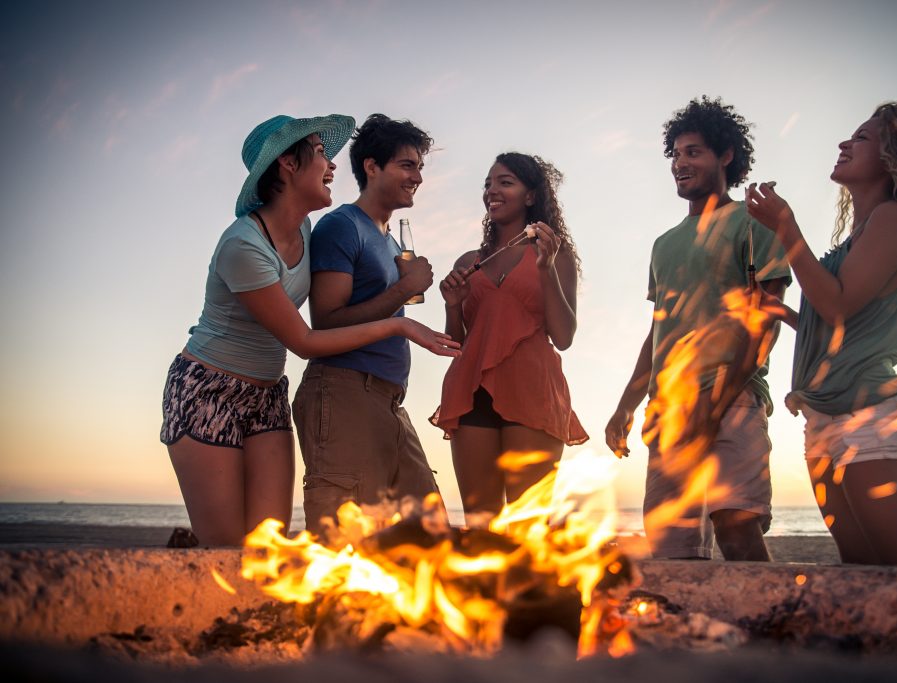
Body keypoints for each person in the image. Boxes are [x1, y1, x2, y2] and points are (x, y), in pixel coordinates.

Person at [161, 114, 460, 547]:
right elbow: (305, 339)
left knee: (270, 546)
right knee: (226, 552)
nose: (333, 165)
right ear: (287, 164)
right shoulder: (243, 245)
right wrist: (400, 315)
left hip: (267, 392)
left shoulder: (305, 227)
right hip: (209, 388)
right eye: (321, 153)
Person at [745, 102, 897, 568]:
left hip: (870, 418)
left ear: (894, 157)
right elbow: (835, 318)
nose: (845, 143)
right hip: (824, 419)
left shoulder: (894, 218)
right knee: (864, 569)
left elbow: (839, 304)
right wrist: (784, 313)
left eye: (862, 138)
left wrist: (786, 228)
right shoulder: (861, 233)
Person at [605, 97, 791, 561]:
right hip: (668, 409)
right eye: (676, 154)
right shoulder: (663, 245)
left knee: (737, 525)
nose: (680, 164)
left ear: (726, 155)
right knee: (673, 550)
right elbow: (659, 331)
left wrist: (718, 398)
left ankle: (770, 631)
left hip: (734, 398)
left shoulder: (753, 223)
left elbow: (768, 318)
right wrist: (626, 405)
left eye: (693, 152)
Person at [292, 114, 444, 539]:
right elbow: (326, 321)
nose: (416, 176)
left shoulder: (392, 242)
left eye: (419, 167)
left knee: (431, 537)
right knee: (347, 545)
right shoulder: (341, 226)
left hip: (390, 402)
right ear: (372, 167)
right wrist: (404, 291)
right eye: (406, 165)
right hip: (343, 393)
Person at [432, 152, 588, 520]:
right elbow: (456, 343)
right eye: (488, 183)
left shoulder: (555, 254)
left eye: (505, 182)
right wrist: (452, 306)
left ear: (530, 196)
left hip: (532, 390)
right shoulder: (468, 261)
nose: (492, 191)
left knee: (527, 525)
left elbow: (564, 336)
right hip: (470, 393)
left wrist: (545, 269)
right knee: (480, 525)